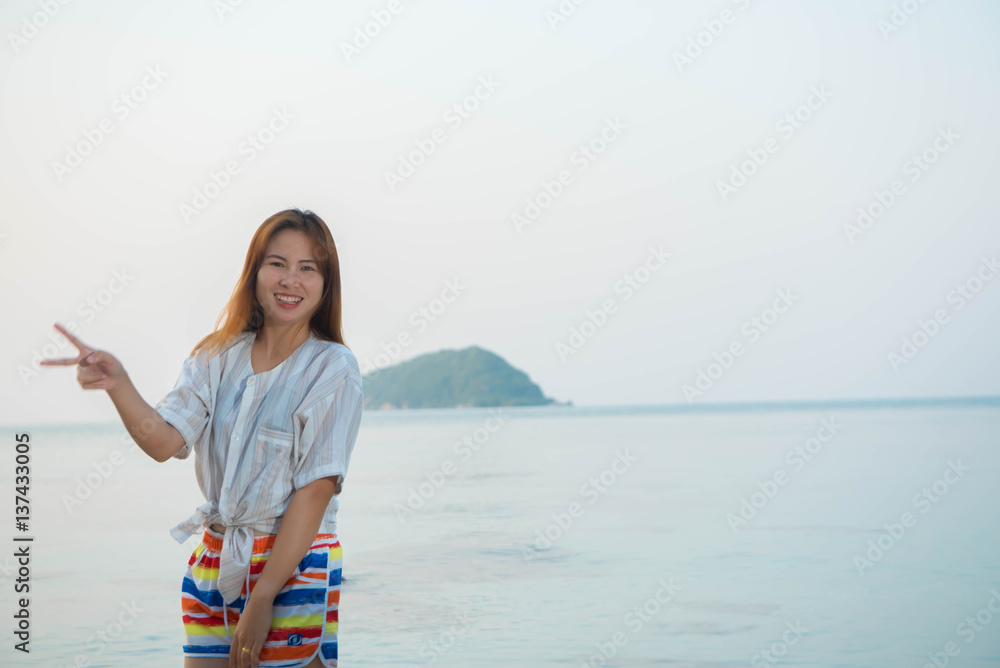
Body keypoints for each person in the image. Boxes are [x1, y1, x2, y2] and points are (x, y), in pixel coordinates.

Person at [41, 208, 364, 668]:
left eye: (308, 268)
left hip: (292, 565)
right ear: (254, 272)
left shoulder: (333, 368)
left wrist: (263, 596)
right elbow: (164, 442)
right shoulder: (216, 355)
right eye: (277, 263)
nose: (290, 280)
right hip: (215, 559)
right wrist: (118, 384)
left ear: (325, 283)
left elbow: (316, 490)